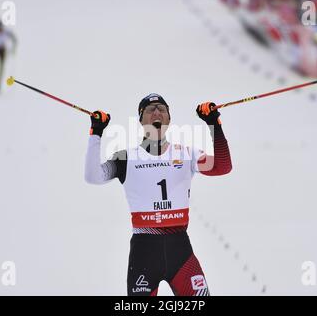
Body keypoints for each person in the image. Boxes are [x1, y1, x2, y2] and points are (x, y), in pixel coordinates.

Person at [84, 94, 232, 296]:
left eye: (161, 109)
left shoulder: (187, 154)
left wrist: (213, 122)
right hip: (144, 253)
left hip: (180, 252)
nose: (156, 112)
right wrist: (96, 132)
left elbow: (223, 167)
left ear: (169, 119)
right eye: (150, 109)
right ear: (141, 120)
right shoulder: (125, 157)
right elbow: (93, 176)